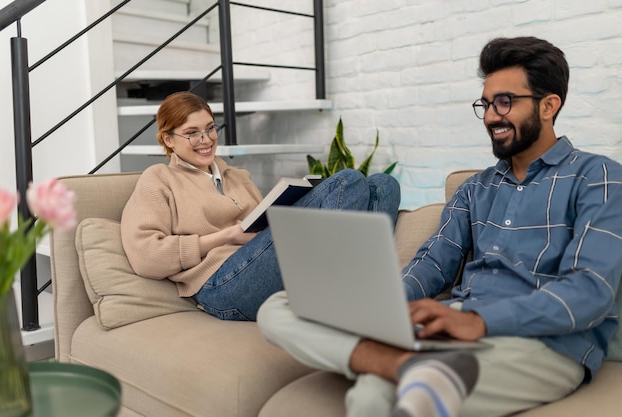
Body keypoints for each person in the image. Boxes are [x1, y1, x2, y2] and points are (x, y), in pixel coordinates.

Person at [257, 36, 622, 417]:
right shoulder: (475, 189)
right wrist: (384, 308)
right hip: (453, 333)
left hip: (546, 344)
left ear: (549, 105)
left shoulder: (599, 178)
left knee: (372, 398)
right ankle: (400, 364)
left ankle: (404, 369)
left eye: (505, 102)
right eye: (486, 104)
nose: (491, 116)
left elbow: (589, 291)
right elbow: (432, 264)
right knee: (280, 305)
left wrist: (477, 321)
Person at [120, 91, 401, 322]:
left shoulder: (238, 175)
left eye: (209, 129)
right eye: (192, 133)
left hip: (261, 264)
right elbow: (145, 257)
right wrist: (227, 236)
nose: (206, 140)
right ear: (168, 140)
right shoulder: (159, 179)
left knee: (384, 184)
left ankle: (353, 291)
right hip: (221, 285)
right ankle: (341, 293)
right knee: (346, 181)